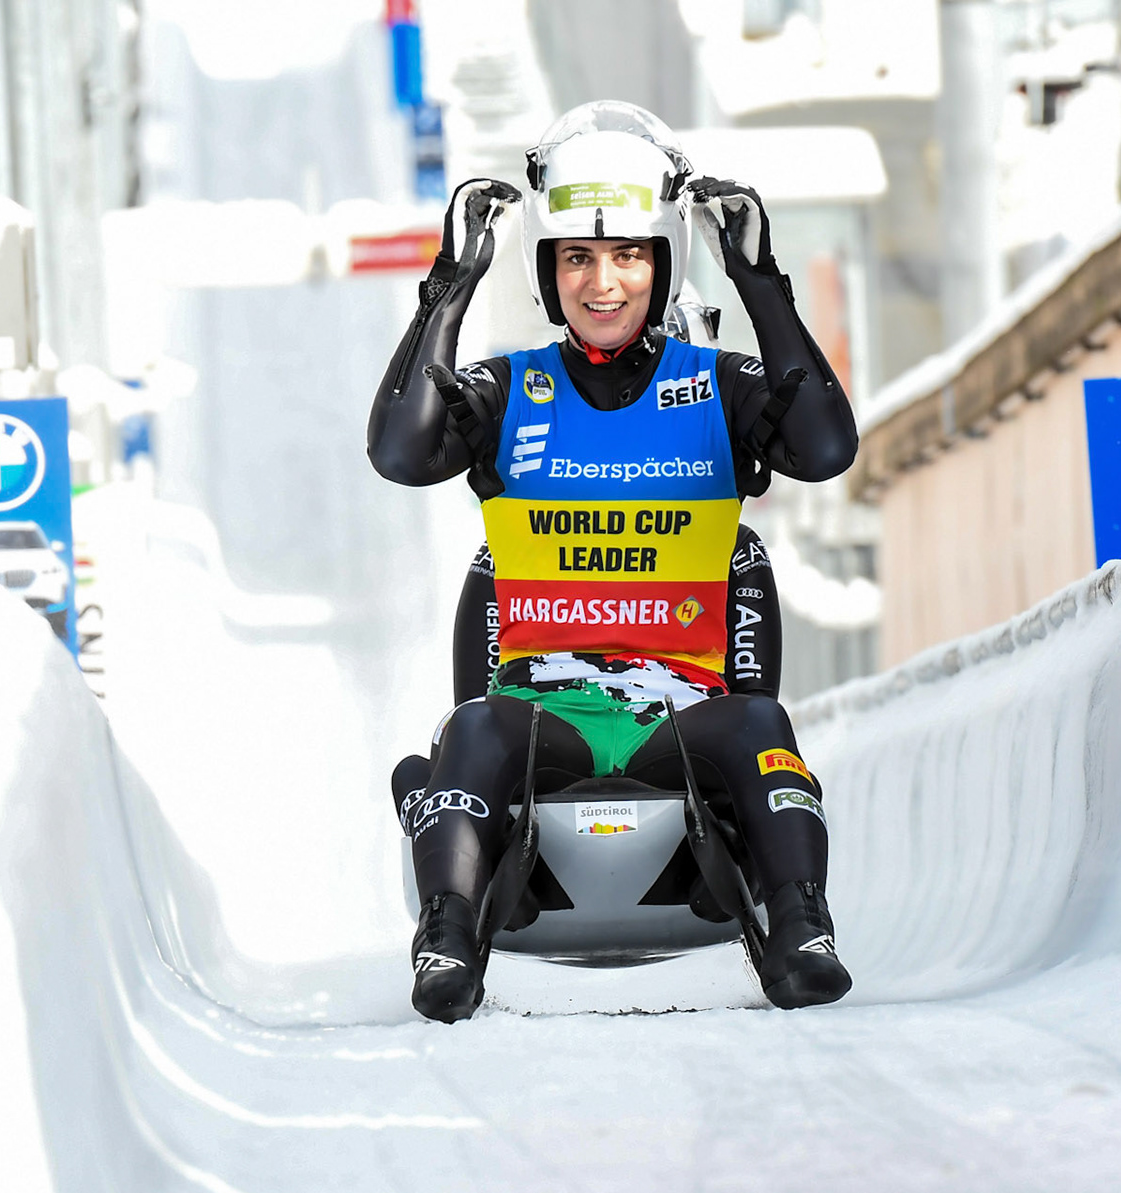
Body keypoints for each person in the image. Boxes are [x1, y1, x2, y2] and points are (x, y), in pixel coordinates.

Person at [367, 101, 858, 1023]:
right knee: (471, 727)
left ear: (663, 261)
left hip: (685, 725)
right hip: (545, 728)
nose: (604, 282)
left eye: (630, 255)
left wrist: (761, 281)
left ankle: (802, 931)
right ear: (548, 272)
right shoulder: (512, 387)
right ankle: (445, 939)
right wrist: (448, 288)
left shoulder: (715, 383)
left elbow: (826, 447)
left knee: (760, 719)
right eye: (578, 259)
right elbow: (402, 452)